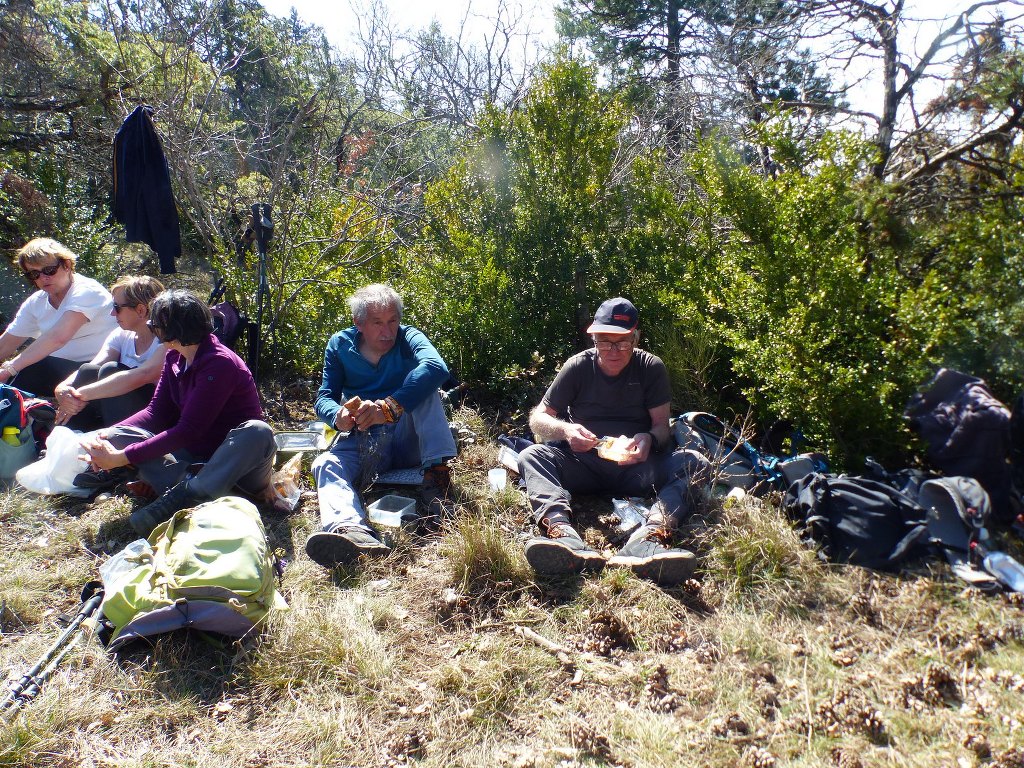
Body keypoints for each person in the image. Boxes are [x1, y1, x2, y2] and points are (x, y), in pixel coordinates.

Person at [519, 297, 710, 586]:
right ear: (593, 336)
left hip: (637, 468)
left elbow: (661, 426)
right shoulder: (577, 367)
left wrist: (647, 438)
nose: (613, 350)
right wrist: (567, 431)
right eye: (604, 342)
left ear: (636, 337)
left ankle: (650, 538)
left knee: (695, 463)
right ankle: (562, 535)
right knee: (532, 456)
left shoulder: (650, 367)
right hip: (584, 463)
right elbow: (539, 418)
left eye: (622, 342)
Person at [80, 290, 277, 536]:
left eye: (155, 325)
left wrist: (122, 458)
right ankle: (190, 494)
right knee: (118, 435)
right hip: (192, 463)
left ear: (172, 330)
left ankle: (187, 495)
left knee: (258, 432)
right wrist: (106, 437)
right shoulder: (175, 357)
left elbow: (189, 430)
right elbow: (155, 414)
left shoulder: (220, 363)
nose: (152, 329)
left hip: (236, 465)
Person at [304, 283, 458, 569]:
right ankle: (351, 530)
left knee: (426, 390)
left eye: (393, 321)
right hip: (365, 440)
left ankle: (437, 480)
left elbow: (437, 368)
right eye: (377, 323)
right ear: (358, 323)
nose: (387, 332)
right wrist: (336, 415)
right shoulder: (340, 345)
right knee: (325, 464)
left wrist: (388, 407)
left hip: (409, 436)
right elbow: (324, 397)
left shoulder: (409, 337)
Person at [0, 238, 118, 397]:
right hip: (58, 368)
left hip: (95, 369)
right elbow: (8, 342)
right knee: (18, 381)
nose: (43, 278)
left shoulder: (87, 291)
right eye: (35, 274)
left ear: (67, 265)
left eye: (49, 270)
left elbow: (57, 338)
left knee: (23, 369)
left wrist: (10, 367)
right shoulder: (37, 302)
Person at [54, 275, 166, 430]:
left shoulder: (168, 340)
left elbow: (143, 375)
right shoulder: (121, 334)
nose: (112, 313)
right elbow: (95, 364)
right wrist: (64, 388)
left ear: (141, 310)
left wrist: (80, 394)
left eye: (117, 307)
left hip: (155, 415)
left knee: (111, 370)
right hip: (118, 410)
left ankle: (113, 441)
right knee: (89, 371)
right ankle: (69, 435)